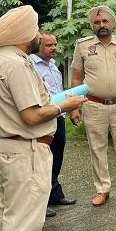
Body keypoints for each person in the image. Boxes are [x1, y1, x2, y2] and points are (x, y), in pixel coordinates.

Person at [0, 5, 86, 231]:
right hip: (25, 148)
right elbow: (31, 115)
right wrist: (65, 105)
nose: (39, 35)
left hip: (8, 146)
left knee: (7, 210)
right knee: (24, 217)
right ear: (24, 34)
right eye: (35, 29)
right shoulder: (16, 64)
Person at [70, 5, 116, 207]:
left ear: (112, 23)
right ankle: (102, 189)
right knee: (97, 148)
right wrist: (73, 107)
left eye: (105, 21)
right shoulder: (83, 46)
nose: (101, 25)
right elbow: (76, 78)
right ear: (92, 25)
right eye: (97, 22)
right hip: (93, 105)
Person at [30, 32, 77, 208]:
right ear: (38, 47)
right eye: (49, 45)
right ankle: (40, 204)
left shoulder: (53, 66)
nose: (54, 48)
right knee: (41, 161)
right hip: (43, 119)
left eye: (55, 44)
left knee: (56, 157)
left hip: (58, 117)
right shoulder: (31, 66)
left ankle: (55, 195)